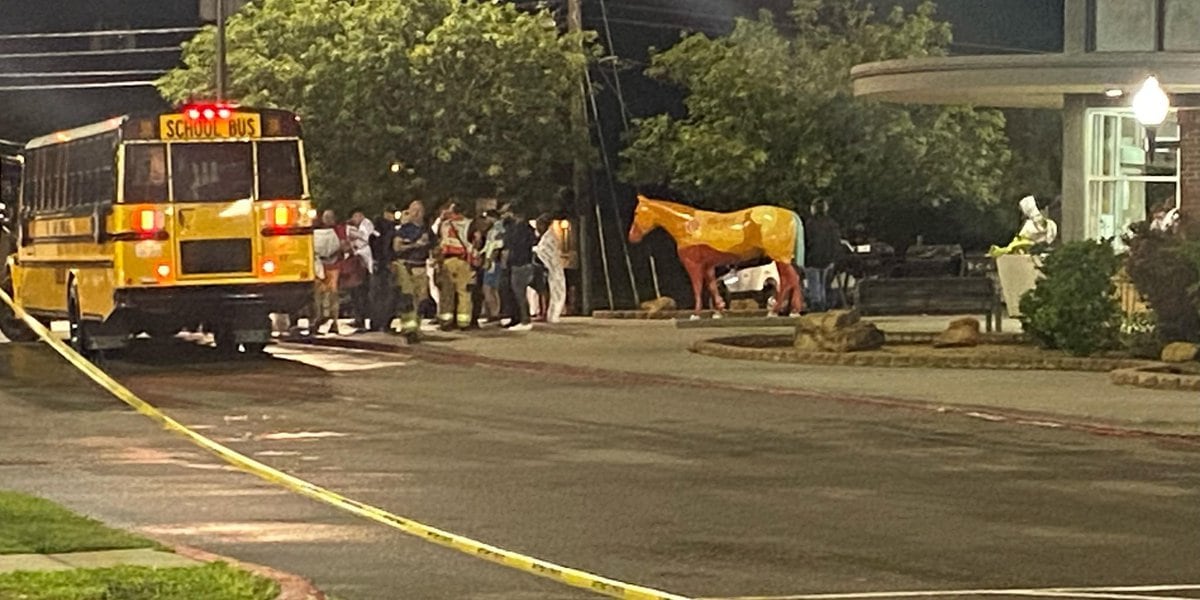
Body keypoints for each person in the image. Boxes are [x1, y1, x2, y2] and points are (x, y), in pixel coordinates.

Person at [393, 200, 434, 341]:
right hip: (406, 267)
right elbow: (397, 247)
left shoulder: (427, 230)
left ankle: (417, 326)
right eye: (413, 210)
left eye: (419, 210)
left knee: (422, 299)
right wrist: (415, 245)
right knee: (408, 298)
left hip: (421, 266)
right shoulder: (404, 230)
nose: (416, 213)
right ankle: (409, 329)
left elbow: (434, 246)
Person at [435, 202, 477, 331]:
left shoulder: (445, 224)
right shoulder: (470, 224)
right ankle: (463, 323)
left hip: (447, 261)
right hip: (464, 261)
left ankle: (446, 322)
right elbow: (476, 241)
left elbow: (438, 242)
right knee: (464, 293)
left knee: (447, 293)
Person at [501, 207, 538, 332]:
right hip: (526, 263)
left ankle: (525, 320)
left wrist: (505, 262)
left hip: (519, 264)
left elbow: (510, 246)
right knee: (519, 293)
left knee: (519, 294)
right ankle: (520, 318)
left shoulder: (517, 230)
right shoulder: (529, 229)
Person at [803, 199, 842, 313]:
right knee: (822, 282)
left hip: (811, 258)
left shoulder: (809, 224)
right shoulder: (832, 224)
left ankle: (817, 304)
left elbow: (805, 241)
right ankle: (822, 303)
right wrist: (833, 258)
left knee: (814, 282)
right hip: (827, 258)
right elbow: (835, 242)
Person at [342, 208, 376, 332]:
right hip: (361, 263)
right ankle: (359, 317)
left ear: (360, 215)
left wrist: (353, 235)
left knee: (362, 292)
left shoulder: (366, 224)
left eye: (355, 217)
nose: (354, 220)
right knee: (357, 292)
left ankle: (362, 318)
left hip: (365, 263)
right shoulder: (359, 226)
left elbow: (366, 238)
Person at [313, 210, 344, 335]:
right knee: (319, 295)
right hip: (323, 265)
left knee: (332, 294)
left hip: (331, 266)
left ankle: (333, 321)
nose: (328, 219)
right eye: (326, 217)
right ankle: (319, 318)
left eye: (330, 217)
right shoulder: (319, 231)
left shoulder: (339, 231)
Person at [368, 206, 399, 332]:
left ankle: (379, 322)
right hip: (384, 265)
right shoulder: (386, 228)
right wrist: (387, 260)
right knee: (386, 294)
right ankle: (382, 322)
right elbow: (381, 245)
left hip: (380, 264)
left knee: (380, 295)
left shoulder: (380, 228)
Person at [534, 215, 566, 324]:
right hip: (542, 267)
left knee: (546, 291)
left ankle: (545, 312)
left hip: (550, 268)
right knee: (541, 290)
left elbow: (546, 251)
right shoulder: (543, 236)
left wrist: (535, 250)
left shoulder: (550, 237)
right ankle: (541, 311)